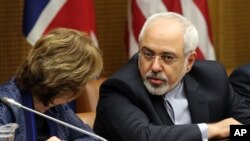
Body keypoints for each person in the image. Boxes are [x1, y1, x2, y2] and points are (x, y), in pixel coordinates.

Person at [93, 12, 250, 141]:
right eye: (148, 54)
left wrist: (233, 133)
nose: (154, 67)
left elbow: (245, 126)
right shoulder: (119, 89)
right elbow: (143, 137)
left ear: (189, 61)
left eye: (167, 57)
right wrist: (212, 130)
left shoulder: (212, 78)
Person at [0, 28, 103, 141]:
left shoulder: (57, 107)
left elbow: (91, 138)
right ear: (66, 83)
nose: (81, 89)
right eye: (82, 82)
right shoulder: (6, 104)